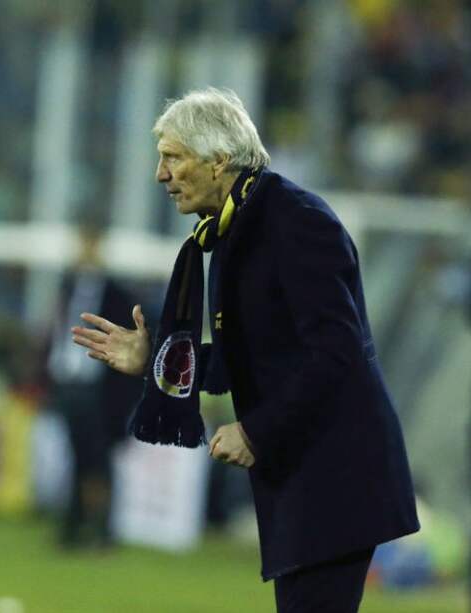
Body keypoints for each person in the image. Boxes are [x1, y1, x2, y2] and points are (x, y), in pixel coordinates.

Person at [72, 87, 419, 613]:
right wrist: (155, 363)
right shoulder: (240, 230)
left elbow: (336, 352)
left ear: (217, 161)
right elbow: (252, 360)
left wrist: (256, 430)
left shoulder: (297, 222)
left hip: (337, 473)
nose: (160, 175)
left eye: (172, 157)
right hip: (306, 471)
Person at [46, 224, 136, 549]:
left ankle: (103, 530)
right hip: (70, 384)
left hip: (101, 389)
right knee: (77, 458)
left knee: (100, 461)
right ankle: (73, 526)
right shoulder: (68, 285)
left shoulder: (117, 294)